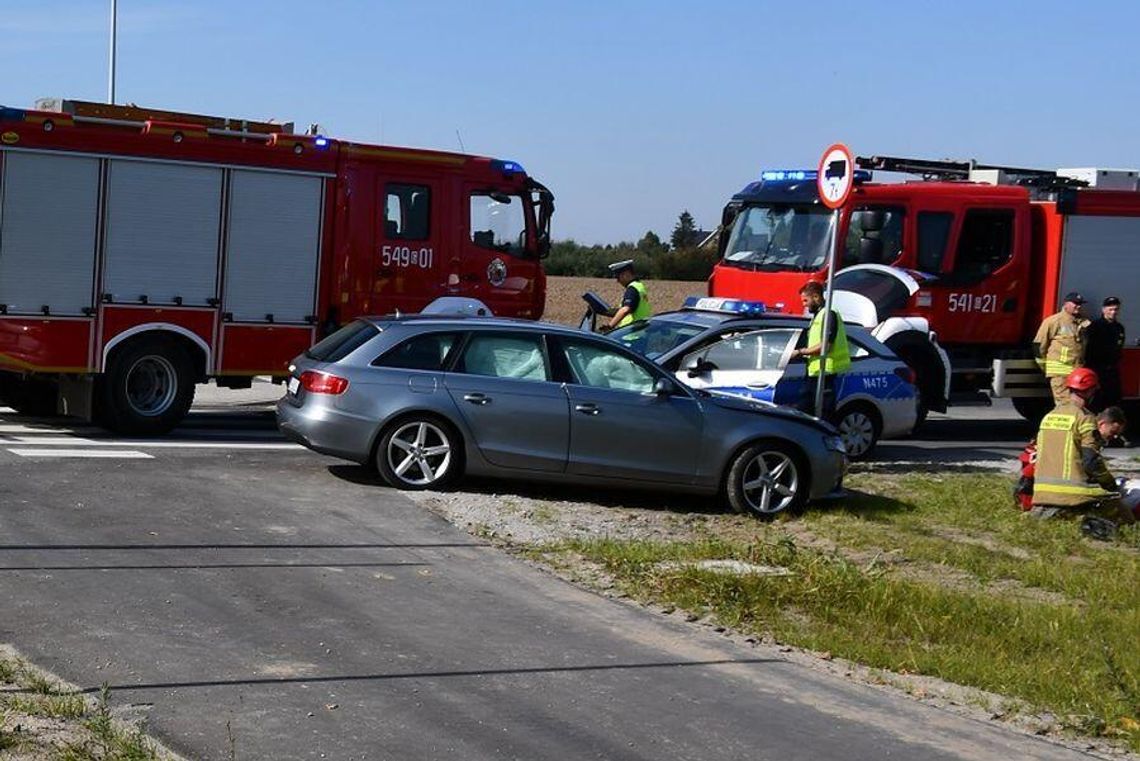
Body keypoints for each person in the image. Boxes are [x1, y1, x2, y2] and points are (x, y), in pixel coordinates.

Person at [1030, 368, 1135, 537]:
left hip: (1041, 492)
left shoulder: (1049, 416)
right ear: (1091, 390)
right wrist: (1110, 484)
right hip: (1071, 492)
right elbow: (1091, 460)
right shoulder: (1085, 419)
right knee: (1124, 514)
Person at [790, 281, 851, 419]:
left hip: (825, 372)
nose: (803, 304)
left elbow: (825, 346)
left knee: (823, 414)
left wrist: (800, 352)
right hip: (815, 371)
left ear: (816, 297)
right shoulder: (818, 315)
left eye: (806, 300)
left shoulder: (828, 314)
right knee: (806, 412)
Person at [1033, 292, 1090, 407]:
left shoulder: (1083, 323)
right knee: (1064, 405)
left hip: (1077, 373)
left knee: (1078, 406)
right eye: (1075, 303)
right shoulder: (1053, 322)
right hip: (1060, 374)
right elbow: (1038, 346)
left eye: (1080, 304)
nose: (1078, 306)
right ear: (1066, 304)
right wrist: (1046, 367)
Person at [1085, 296, 1126, 413]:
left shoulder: (1119, 328)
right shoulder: (1095, 326)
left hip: (1112, 370)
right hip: (1097, 370)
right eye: (1110, 309)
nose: (1113, 312)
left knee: (1113, 400)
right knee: (1096, 400)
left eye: (1116, 309)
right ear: (1103, 310)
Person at [605, 260, 652, 330]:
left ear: (626, 274)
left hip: (631, 334)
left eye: (618, 277)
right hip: (641, 331)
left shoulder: (632, 289)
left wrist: (609, 327)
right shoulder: (639, 286)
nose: (618, 281)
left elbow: (625, 309)